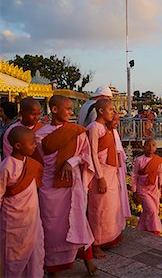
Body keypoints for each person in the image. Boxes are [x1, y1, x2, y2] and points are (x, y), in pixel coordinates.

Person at [35, 95, 96, 276]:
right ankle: (53, 267)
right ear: (54, 110)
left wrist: (71, 161)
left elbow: (86, 155)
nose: (71, 112)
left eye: (71, 109)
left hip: (72, 185)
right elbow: (39, 161)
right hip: (50, 185)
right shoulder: (41, 134)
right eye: (68, 109)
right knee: (51, 226)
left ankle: (88, 259)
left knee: (77, 220)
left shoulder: (77, 131)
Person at [0, 126, 44, 277]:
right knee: (13, 251)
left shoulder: (30, 163)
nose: (35, 146)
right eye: (31, 143)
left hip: (31, 216)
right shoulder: (6, 166)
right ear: (18, 145)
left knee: (34, 249)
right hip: (13, 218)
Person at [87, 99, 125, 258]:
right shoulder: (94, 127)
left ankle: (110, 238)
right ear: (101, 111)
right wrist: (100, 177)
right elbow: (93, 154)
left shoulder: (105, 128)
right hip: (100, 174)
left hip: (111, 173)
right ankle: (95, 244)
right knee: (99, 209)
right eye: (110, 110)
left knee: (110, 208)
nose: (113, 112)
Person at [131, 139, 162, 235]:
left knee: (149, 211)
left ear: (156, 147)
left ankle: (141, 229)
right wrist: (134, 191)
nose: (150, 147)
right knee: (152, 210)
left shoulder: (158, 161)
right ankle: (155, 231)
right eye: (148, 145)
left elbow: (161, 173)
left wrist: (161, 188)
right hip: (143, 190)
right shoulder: (139, 160)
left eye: (153, 145)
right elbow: (134, 175)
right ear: (143, 147)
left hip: (154, 190)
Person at [107, 113, 131, 223]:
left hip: (116, 167)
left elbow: (119, 152)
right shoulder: (102, 131)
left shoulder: (114, 132)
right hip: (110, 168)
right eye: (114, 120)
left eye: (118, 120)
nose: (117, 123)